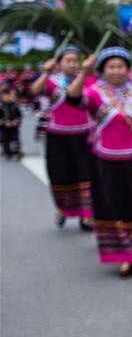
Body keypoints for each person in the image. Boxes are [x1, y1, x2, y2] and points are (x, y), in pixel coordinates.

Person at [67, 47, 132, 277]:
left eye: (120, 66)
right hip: (107, 162)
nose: (116, 71)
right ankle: (126, 255)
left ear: (128, 69)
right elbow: (73, 98)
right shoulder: (94, 93)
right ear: (103, 70)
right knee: (114, 207)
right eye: (110, 67)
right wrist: (83, 74)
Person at [30, 48, 94, 230]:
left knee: (86, 175)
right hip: (58, 136)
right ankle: (63, 209)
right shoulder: (52, 82)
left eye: (75, 60)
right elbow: (35, 90)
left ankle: (86, 215)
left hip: (84, 135)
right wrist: (45, 72)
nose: (72, 64)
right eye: (68, 60)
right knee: (59, 175)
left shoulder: (88, 80)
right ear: (60, 63)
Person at [0, 89, 23, 160]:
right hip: (4, 127)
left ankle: (17, 152)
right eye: (4, 96)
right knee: (5, 140)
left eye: (8, 96)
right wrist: (4, 122)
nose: (6, 98)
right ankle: (7, 153)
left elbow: (19, 115)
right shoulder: (1, 107)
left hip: (14, 126)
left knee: (15, 139)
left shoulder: (15, 106)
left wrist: (16, 121)